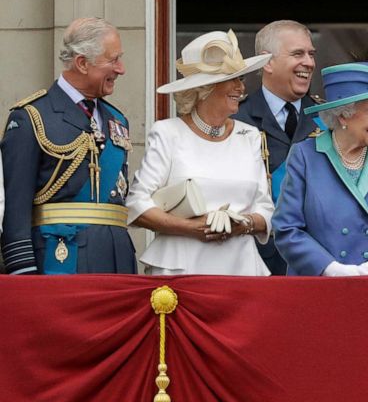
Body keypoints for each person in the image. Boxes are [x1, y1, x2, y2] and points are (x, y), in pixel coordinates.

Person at [126, 30, 275, 275]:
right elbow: (138, 204)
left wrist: (243, 224)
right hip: (180, 271)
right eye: (233, 79)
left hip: (241, 270)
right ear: (205, 88)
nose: (241, 87)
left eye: (241, 79)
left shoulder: (249, 135)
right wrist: (192, 228)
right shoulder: (168, 133)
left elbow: (266, 210)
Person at [0, 17, 136, 275]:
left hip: (116, 260)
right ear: (82, 63)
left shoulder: (117, 120)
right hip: (59, 260)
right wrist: (23, 272)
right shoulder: (32, 117)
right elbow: (15, 208)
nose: (121, 69)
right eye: (113, 59)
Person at [272, 61, 368, 276]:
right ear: (343, 115)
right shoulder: (305, 156)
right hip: (317, 288)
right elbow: (286, 227)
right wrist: (329, 269)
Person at [234, 20, 322, 274]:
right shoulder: (236, 117)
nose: (309, 62)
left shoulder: (328, 119)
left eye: (311, 54)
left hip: (317, 261)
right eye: (298, 54)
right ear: (267, 62)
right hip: (254, 259)